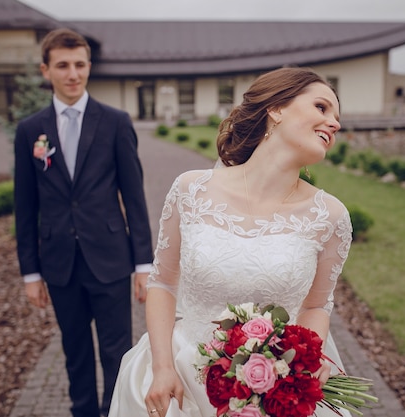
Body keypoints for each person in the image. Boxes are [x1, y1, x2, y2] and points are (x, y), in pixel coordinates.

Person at [108, 67, 353, 417]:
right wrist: (163, 367)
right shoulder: (190, 190)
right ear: (277, 109)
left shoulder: (330, 216)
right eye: (321, 107)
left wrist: (306, 364)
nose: (334, 123)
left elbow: (316, 306)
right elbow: (162, 283)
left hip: (278, 387)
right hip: (182, 375)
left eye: (337, 117)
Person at [13, 28, 154, 417]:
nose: (72, 73)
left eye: (79, 64)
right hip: (58, 262)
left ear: (89, 67)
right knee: (74, 350)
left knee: (116, 352)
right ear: (46, 70)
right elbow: (24, 205)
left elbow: (134, 195)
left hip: (109, 258)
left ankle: (116, 411)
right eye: (62, 65)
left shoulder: (115, 122)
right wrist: (30, 273)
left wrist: (144, 264)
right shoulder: (30, 131)